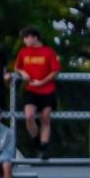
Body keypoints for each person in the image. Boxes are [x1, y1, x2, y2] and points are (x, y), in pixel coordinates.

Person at [13, 27, 59, 156]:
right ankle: (36, 140)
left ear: (35, 37)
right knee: (29, 116)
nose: (25, 40)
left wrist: (42, 81)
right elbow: (17, 67)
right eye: (24, 38)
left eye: (27, 37)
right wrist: (23, 72)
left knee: (45, 118)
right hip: (31, 90)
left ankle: (44, 147)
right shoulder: (23, 52)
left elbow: (55, 70)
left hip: (47, 90)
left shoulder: (48, 52)